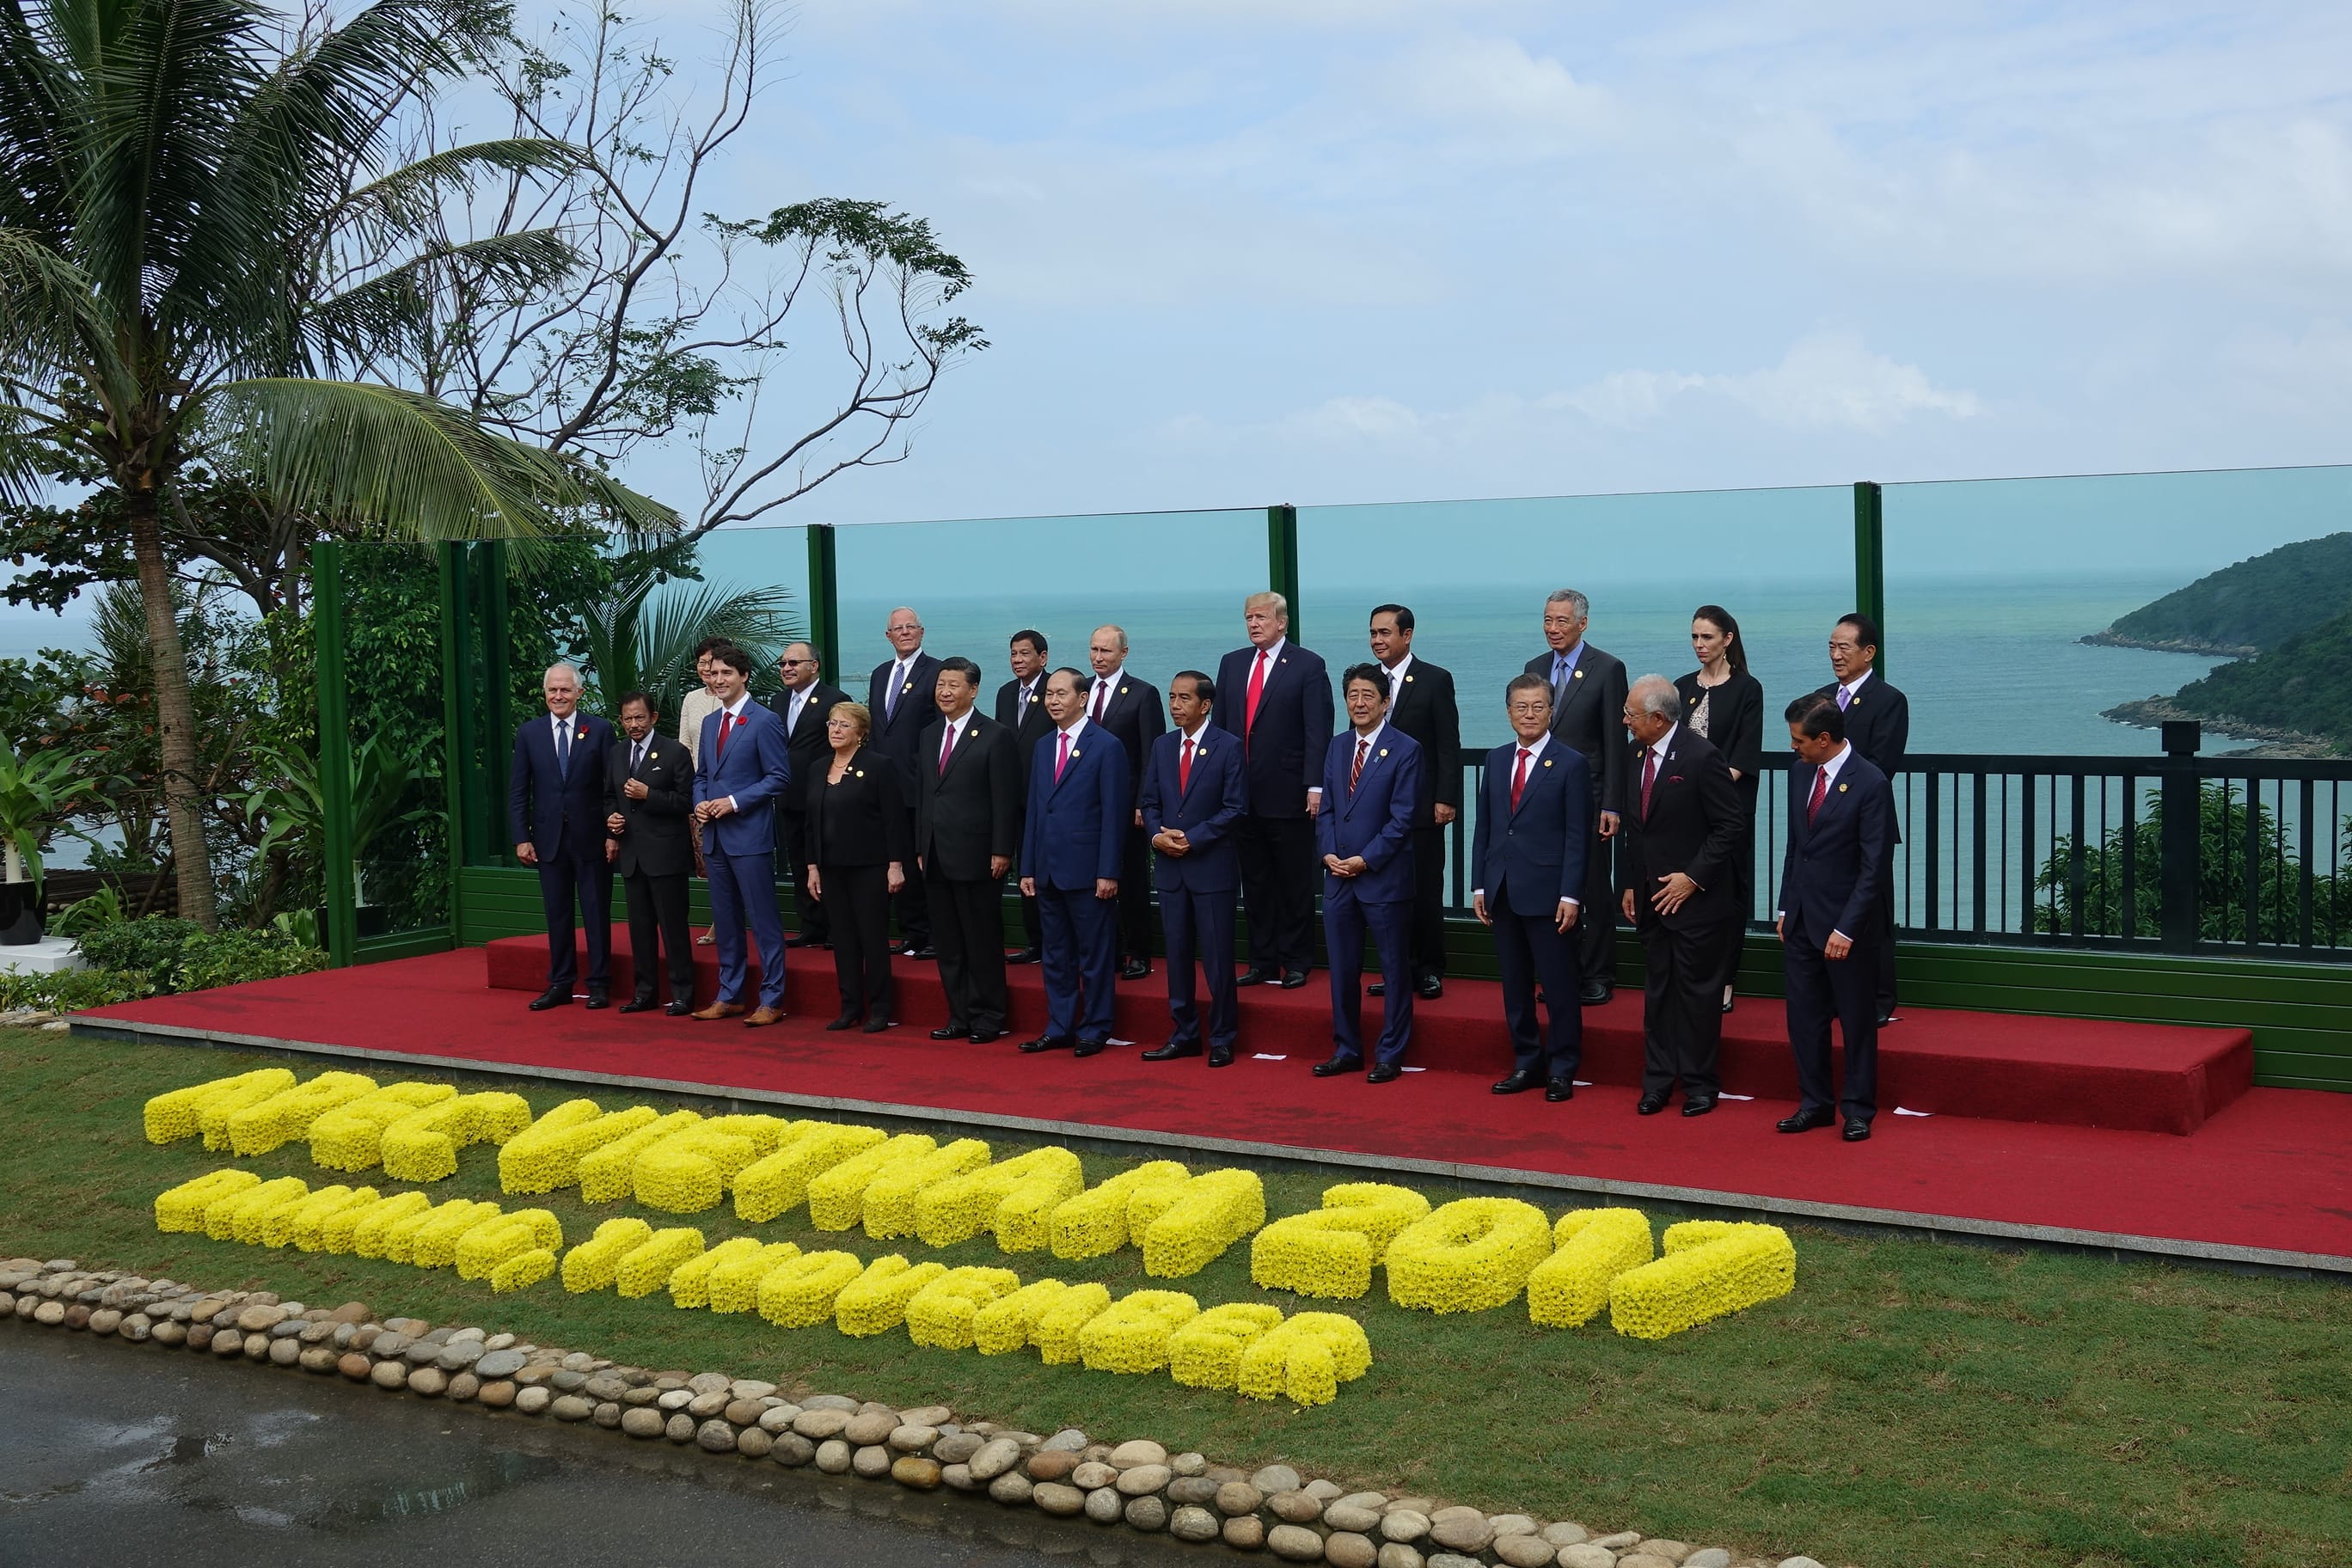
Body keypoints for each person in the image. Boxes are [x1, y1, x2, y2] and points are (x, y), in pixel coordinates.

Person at [1616, 675, 1744, 1117]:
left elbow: (1730, 827)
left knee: (1697, 996)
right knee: (1657, 994)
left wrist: (1692, 878)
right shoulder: (1635, 753)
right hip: (1652, 900)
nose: (1625, 721)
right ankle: (1657, 1081)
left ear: (1657, 717)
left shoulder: (1701, 756)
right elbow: (1638, 830)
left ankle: (1700, 1084)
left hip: (1697, 903)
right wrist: (1632, 883)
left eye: (1631, 715)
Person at [1775, 693, 1895, 1142]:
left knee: (1857, 1021)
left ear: (1824, 738)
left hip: (1848, 928)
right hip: (1803, 920)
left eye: (1799, 740)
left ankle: (1859, 1109)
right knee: (1803, 1019)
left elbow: (1874, 867)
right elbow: (1796, 847)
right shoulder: (1799, 772)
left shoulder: (1870, 782)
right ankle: (1815, 1104)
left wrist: (1847, 928)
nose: (1794, 748)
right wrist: (1786, 906)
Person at [1473, 676, 1589, 1101]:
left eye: (1538, 707)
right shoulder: (1497, 759)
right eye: (1521, 707)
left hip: (1550, 894)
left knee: (1558, 987)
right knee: (1515, 986)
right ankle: (1526, 1061)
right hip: (1502, 890)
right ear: (1508, 712)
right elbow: (1485, 827)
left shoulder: (1571, 763)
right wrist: (1478, 886)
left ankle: (1562, 1067)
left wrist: (1571, 895)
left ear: (1551, 711)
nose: (1529, 715)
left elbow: (1578, 835)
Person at [1213, 591, 1332, 990]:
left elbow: (1318, 730)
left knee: (1293, 880)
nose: (1253, 624)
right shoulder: (1232, 664)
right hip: (1241, 796)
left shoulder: (1307, 665)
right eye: (1248, 617)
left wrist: (1315, 785)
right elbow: (1223, 730)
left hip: (1288, 792)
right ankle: (1262, 960)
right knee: (1257, 881)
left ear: (1282, 622)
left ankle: (1297, 959)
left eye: (1261, 617)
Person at [1312, 664, 1421, 1084]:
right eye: (1353, 696)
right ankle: (1347, 1048)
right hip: (1338, 877)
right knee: (1342, 970)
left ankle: (1390, 1052)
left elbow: (1402, 817)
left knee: (1393, 970)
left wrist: (1366, 859)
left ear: (1385, 701)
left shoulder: (1406, 749)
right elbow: (1328, 810)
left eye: (1367, 696)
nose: (1359, 704)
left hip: (1383, 879)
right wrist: (1327, 854)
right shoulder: (1337, 746)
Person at [1522, 589, 1631, 1004]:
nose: (1553, 629)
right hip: (1542, 798)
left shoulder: (1606, 668)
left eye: (1562, 621)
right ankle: (1558, 972)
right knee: (1552, 886)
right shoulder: (1534, 668)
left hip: (1590, 797)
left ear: (1582, 623)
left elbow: (1614, 742)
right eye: (1548, 620)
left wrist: (1613, 804)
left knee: (1592, 889)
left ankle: (1599, 972)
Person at [1137, 671, 1247, 1067]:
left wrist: (1192, 838)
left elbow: (1236, 808)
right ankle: (1184, 1033)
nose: (1175, 705)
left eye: (1184, 698)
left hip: (1210, 869)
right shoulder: (1163, 746)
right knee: (1178, 955)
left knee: (1217, 959)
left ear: (1205, 705)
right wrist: (1157, 837)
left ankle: (1222, 1036)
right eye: (1172, 697)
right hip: (1170, 870)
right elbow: (1149, 802)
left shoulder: (1228, 747)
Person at [1018, 668, 1129, 1058]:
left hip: (1088, 872)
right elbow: (1035, 809)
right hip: (1047, 869)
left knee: (1095, 956)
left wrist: (1108, 871)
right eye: (1049, 694)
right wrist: (1027, 866)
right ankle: (1059, 1026)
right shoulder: (1044, 745)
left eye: (1061, 693)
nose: (1052, 700)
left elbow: (1114, 815)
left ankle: (1095, 1027)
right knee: (1056, 954)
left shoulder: (1107, 745)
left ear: (1082, 698)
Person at [913, 657, 1020, 1044]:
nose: (944, 691)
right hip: (936, 853)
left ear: (973, 690)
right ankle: (958, 1015)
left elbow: (1005, 799)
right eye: (941, 684)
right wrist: (921, 845)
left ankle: (989, 1016)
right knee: (948, 942)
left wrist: (1001, 850)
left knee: (981, 940)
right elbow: (926, 793)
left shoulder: (995, 735)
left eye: (953, 685)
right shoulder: (928, 735)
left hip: (978, 855)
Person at [690, 645, 793, 1026]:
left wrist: (732, 802)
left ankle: (772, 998)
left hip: (749, 837)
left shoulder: (764, 720)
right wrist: (701, 803)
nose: (719, 681)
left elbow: (779, 778)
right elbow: (702, 775)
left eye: (726, 674)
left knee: (764, 922)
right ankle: (729, 995)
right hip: (715, 837)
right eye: (713, 674)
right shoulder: (709, 723)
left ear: (743, 676)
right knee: (726, 921)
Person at [1817, 612, 1909, 1027]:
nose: (1837, 655)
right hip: (1823, 824)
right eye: (1832, 647)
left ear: (1868, 653)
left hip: (1867, 824)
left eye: (1845, 648)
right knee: (1829, 904)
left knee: (1872, 908)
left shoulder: (1888, 700)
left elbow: (1880, 765)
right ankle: (1835, 993)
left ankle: (1879, 999)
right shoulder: (1820, 700)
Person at [509, 663, 615, 1010]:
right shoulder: (529, 733)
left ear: (579, 693)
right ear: (545, 693)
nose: (558, 696)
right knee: (558, 913)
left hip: (591, 837)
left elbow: (610, 788)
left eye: (565, 690)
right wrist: (521, 837)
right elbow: (519, 790)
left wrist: (613, 833)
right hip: (547, 839)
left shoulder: (599, 730)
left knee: (596, 911)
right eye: (552, 690)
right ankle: (561, 983)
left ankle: (599, 983)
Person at [1369, 603, 1461, 1001]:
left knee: (1424, 889)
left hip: (1422, 808)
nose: (1377, 640)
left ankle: (1429, 969)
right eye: (1373, 633)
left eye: (1385, 633)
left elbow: (1447, 743)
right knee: (1387, 893)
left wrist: (1446, 798)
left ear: (1407, 636)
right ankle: (1396, 969)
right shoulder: (1368, 681)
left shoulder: (1435, 679)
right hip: (1377, 809)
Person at [1675, 606, 1765, 1014]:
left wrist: (1702, 790)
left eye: (1707, 637)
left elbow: (1744, 756)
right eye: (1694, 637)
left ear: (1727, 639)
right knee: (1687, 890)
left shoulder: (1748, 689)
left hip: (1728, 811)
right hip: (1688, 813)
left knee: (1728, 894)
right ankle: (1689, 975)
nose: (1699, 645)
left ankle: (1725, 980)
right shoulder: (1679, 688)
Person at [805, 701, 910, 1032]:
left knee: (872, 938)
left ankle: (880, 1009)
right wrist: (812, 868)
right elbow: (811, 823)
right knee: (843, 939)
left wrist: (895, 865)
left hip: (870, 867)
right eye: (832, 723)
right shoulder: (818, 767)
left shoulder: (879, 766)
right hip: (830, 868)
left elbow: (894, 820)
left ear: (861, 734)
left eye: (844, 725)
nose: (835, 730)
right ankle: (850, 1006)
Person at [603, 690, 695, 1016]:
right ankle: (645, 993)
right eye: (627, 719)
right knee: (639, 930)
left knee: (673, 929)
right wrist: (611, 818)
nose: (633, 725)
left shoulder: (675, 752)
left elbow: (687, 802)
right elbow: (609, 796)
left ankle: (683, 993)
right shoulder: (616, 753)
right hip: (632, 856)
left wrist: (649, 794)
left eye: (639, 717)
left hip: (666, 855)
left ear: (653, 717)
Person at [1083, 624, 1165, 980]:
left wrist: (1143, 804)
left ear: (1123, 654)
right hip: (1087, 807)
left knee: (1131, 881)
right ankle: (1108, 951)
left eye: (1106, 651)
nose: (1099, 657)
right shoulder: (1079, 691)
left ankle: (1138, 953)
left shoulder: (1143, 694)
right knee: (1094, 882)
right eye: (1094, 650)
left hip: (1127, 806)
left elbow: (1152, 753)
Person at [867, 606, 943, 959]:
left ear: (922, 632)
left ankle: (932, 933)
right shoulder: (880, 674)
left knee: (921, 862)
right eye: (898, 628)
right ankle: (912, 931)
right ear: (888, 636)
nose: (905, 632)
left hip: (921, 784)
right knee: (895, 860)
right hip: (885, 786)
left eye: (911, 626)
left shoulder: (937, 672)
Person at [775, 642, 850, 949]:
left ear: (814, 666)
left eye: (794, 662)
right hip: (788, 796)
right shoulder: (778, 701)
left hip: (824, 797)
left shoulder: (835, 700)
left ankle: (837, 927)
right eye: (782, 664)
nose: (786, 668)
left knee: (828, 862)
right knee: (799, 860)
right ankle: (811, 926)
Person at [995, 628, 1054, 965]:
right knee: (1024, 871)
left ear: (1042, 658)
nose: (1018, 660)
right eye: (1013, 654)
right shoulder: (1005, 693)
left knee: (1047, 872)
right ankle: (1035, 942)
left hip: (1046, 799)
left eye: (1024, 654)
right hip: (1012, 799)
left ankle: (1055, 941)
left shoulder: (1055, 690)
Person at [677, 637, 732, 946]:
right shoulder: (691, 699)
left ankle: (723, 922)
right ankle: (718, 919)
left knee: (731, 860)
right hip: (698, 795)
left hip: (728, 795)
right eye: (702, 662)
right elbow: (684, 746)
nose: (707, 668)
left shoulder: (734, 699)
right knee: (707, 864)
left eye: (712, 662)